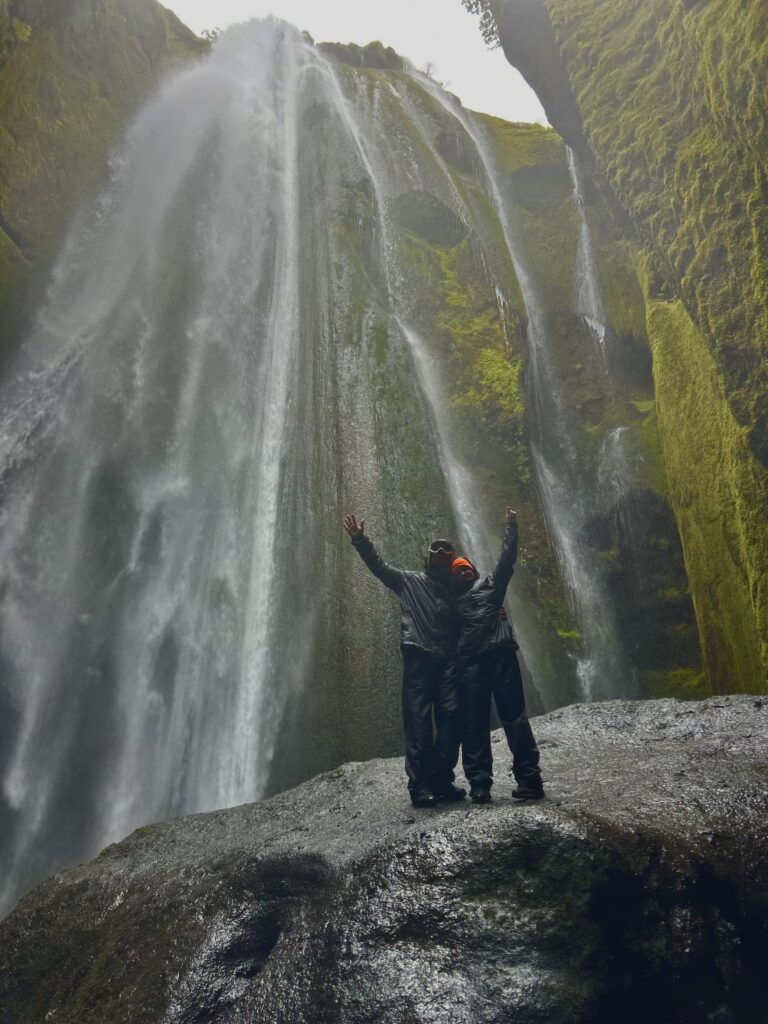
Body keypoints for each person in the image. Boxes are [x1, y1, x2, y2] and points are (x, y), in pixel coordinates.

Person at [343, 513, 466, 808]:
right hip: (418, 662)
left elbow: (480, 603)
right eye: (435, 550)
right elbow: (380, 567)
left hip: (448, 664)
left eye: (446, 551)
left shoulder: (457, 589)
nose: (440, 554)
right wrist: (360, 540)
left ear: (451, 558)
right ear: (428, 558)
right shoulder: (410, 581)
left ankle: (442, 779)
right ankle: (420, 785)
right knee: (419, 727)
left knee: (451, 723)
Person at [450, 507, 543, 804]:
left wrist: (511, 525)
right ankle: (479, 785)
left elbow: (506, 560)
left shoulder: (491, 584)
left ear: (475, 571)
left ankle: (529, 780)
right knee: (474, 725)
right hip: (472, 666)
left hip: (501, 658)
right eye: (457, 570)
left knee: (515, 719)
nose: (463, 571)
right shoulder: (451, 605)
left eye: (466, 567)